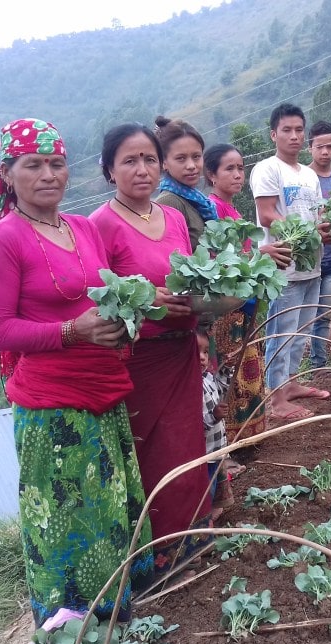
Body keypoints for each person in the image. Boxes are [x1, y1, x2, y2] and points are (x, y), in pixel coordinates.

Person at [0, 118, 155, 626]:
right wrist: (71, 334)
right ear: (8, 174)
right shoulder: (1, 243)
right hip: (54, 408)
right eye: (33, 165)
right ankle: (66, 630)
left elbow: (106, 293)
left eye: (56, 163)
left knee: (109, 506)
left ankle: (115, 609)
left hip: (104, 391)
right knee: (64, 519)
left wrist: (131, 314)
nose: (47, 174)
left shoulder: (81, 228)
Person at [90, 122, 213, 579]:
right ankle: (155, 558)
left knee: (187, 446)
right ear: (109, 171)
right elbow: (97, 299)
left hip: (182, 351)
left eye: (148, 159)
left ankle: (192, 542)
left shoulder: (175, 217)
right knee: (151, 454)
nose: (141, 169)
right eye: (129, 161)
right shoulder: (99, 227)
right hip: (139, 360)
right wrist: (147, 300)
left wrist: (198, 324)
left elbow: (192, 278)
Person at [251, 103, 331, 423]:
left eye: (299, 129)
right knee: (281, 333)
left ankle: (290, 382)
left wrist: (325, 229)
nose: (294, 135)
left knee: (301, 331)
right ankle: (277, 398)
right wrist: (309, 232)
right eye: (287, 129)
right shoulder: (268, 169)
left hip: (311, 266)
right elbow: (267, 214)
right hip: (283, 266)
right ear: (274, 134)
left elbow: (318, 213)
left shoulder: (310, 174)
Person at [203, 143, 272, 445]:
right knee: (229, 369)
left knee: (247, 366)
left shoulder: (233, 209)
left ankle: (249, 433)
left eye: (240, 168)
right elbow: (218, 258)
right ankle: (229, 439)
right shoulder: (212, 209)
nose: (237, 174)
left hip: (244, 302)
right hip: (226, 306)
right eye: (229, 169)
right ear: (212, 175)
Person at [307, 121, 331, 370]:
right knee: (302, 316)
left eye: (329, 147)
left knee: (324, 315)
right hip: (308, 260)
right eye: (319, 147)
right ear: (310, 147)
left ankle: (318, 366)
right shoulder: (302, 177)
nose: (325, 152)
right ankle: (291, 371)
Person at [153, 116, 217, 250]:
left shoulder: (198, 200)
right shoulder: (168, 203)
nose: (191, 165)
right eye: (181, 158)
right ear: (164, 162)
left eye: (196, 157)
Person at [196, 327, 234, 519]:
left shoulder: (208, 378)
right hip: (206, 452)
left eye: (205, 352)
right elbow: (194, 424)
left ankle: (211, 512)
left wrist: (226, 368)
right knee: (206, 487)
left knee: (214, 480)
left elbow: (222, 387)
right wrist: (214, 416)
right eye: (197, 353)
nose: (202, 358)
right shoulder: (191, 386)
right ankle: (205, 519)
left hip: (217, 448)